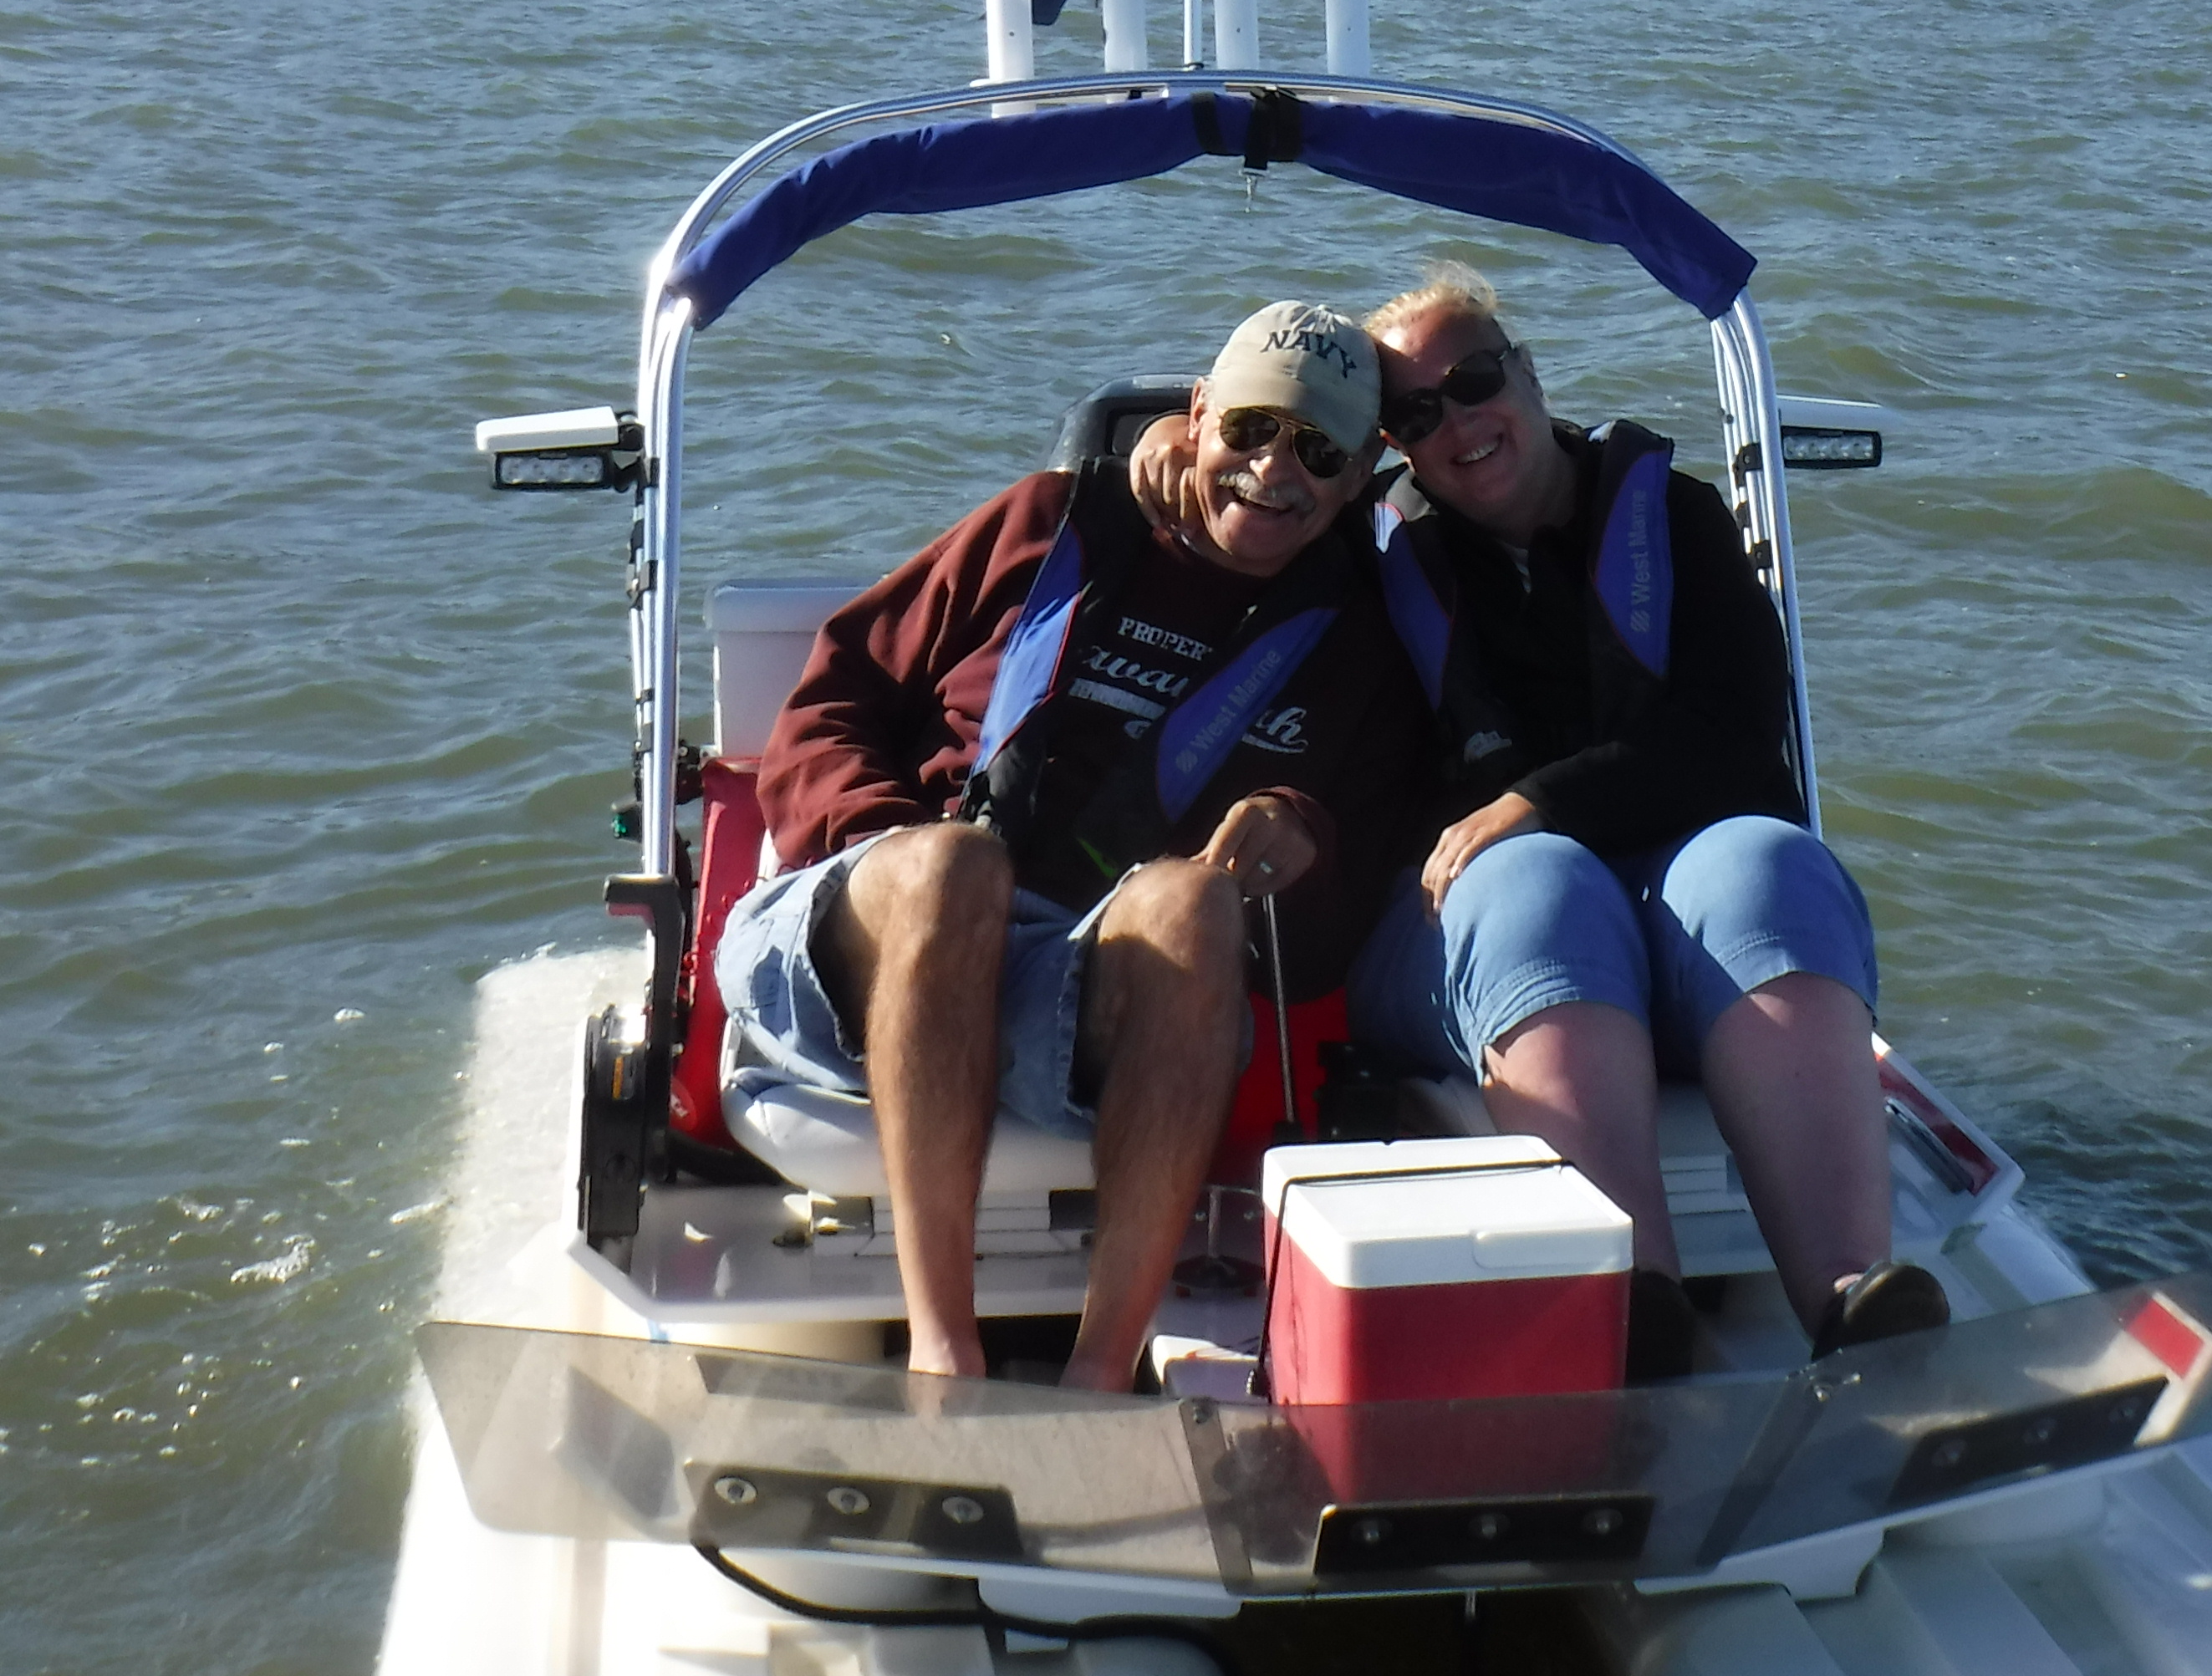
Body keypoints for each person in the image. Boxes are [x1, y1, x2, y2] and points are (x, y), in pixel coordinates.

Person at [719, 299, 1427, 1391]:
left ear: (1358, 477)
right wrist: (894, 862)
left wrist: (1304, 839)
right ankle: (944, 1354)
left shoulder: (1359, 638)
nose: (1273, 472)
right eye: (1251, 430)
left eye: (1318, 453)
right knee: (957, 870)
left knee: (1196, 902)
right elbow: (829, 704)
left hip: (1076, 989)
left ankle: (1098, 1374)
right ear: (1200, 415)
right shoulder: (1051, 524)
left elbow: (1329, 940)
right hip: (867, 947)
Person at [1314, 266, 1945, 1368]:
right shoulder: (1374, 563)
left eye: (1475, 381)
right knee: (1541, 882)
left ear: (1528, 373)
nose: (1458, 422)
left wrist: (1537, 800)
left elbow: (1734, 739)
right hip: (1484, 942)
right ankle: (1636, 1300)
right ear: (1391, 448)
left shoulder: (1678, 520)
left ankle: (1853, 1297)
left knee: (1766, 861)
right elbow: (1246, 544)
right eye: (1416, 414)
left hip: (1680, 921)